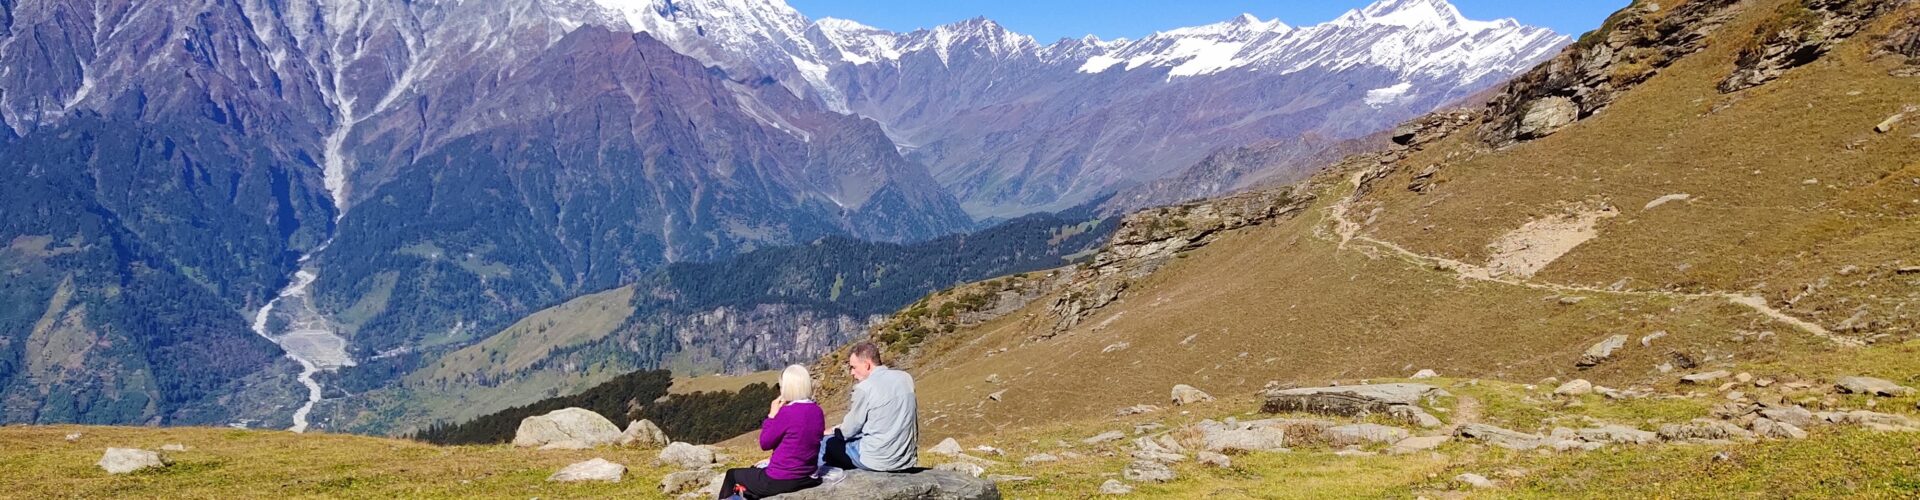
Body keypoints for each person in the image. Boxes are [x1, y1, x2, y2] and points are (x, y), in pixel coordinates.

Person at [718, 365, 824, 500]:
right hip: (808, 477)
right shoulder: (817, 410)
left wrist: (772, 415)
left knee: (732, 474)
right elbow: (802, 442)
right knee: (754, 474)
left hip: (781, 479)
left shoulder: (788, 412)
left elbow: (765, 443)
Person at [818, 342, 919, 476]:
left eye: (853, 367)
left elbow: (848, 431)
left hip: (876, 459)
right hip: (905, 459)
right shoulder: (905, 378)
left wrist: (832, 432)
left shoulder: (865, 388)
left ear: (867, 365)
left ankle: (819, 481)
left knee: (825, 443)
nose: (852, 373)